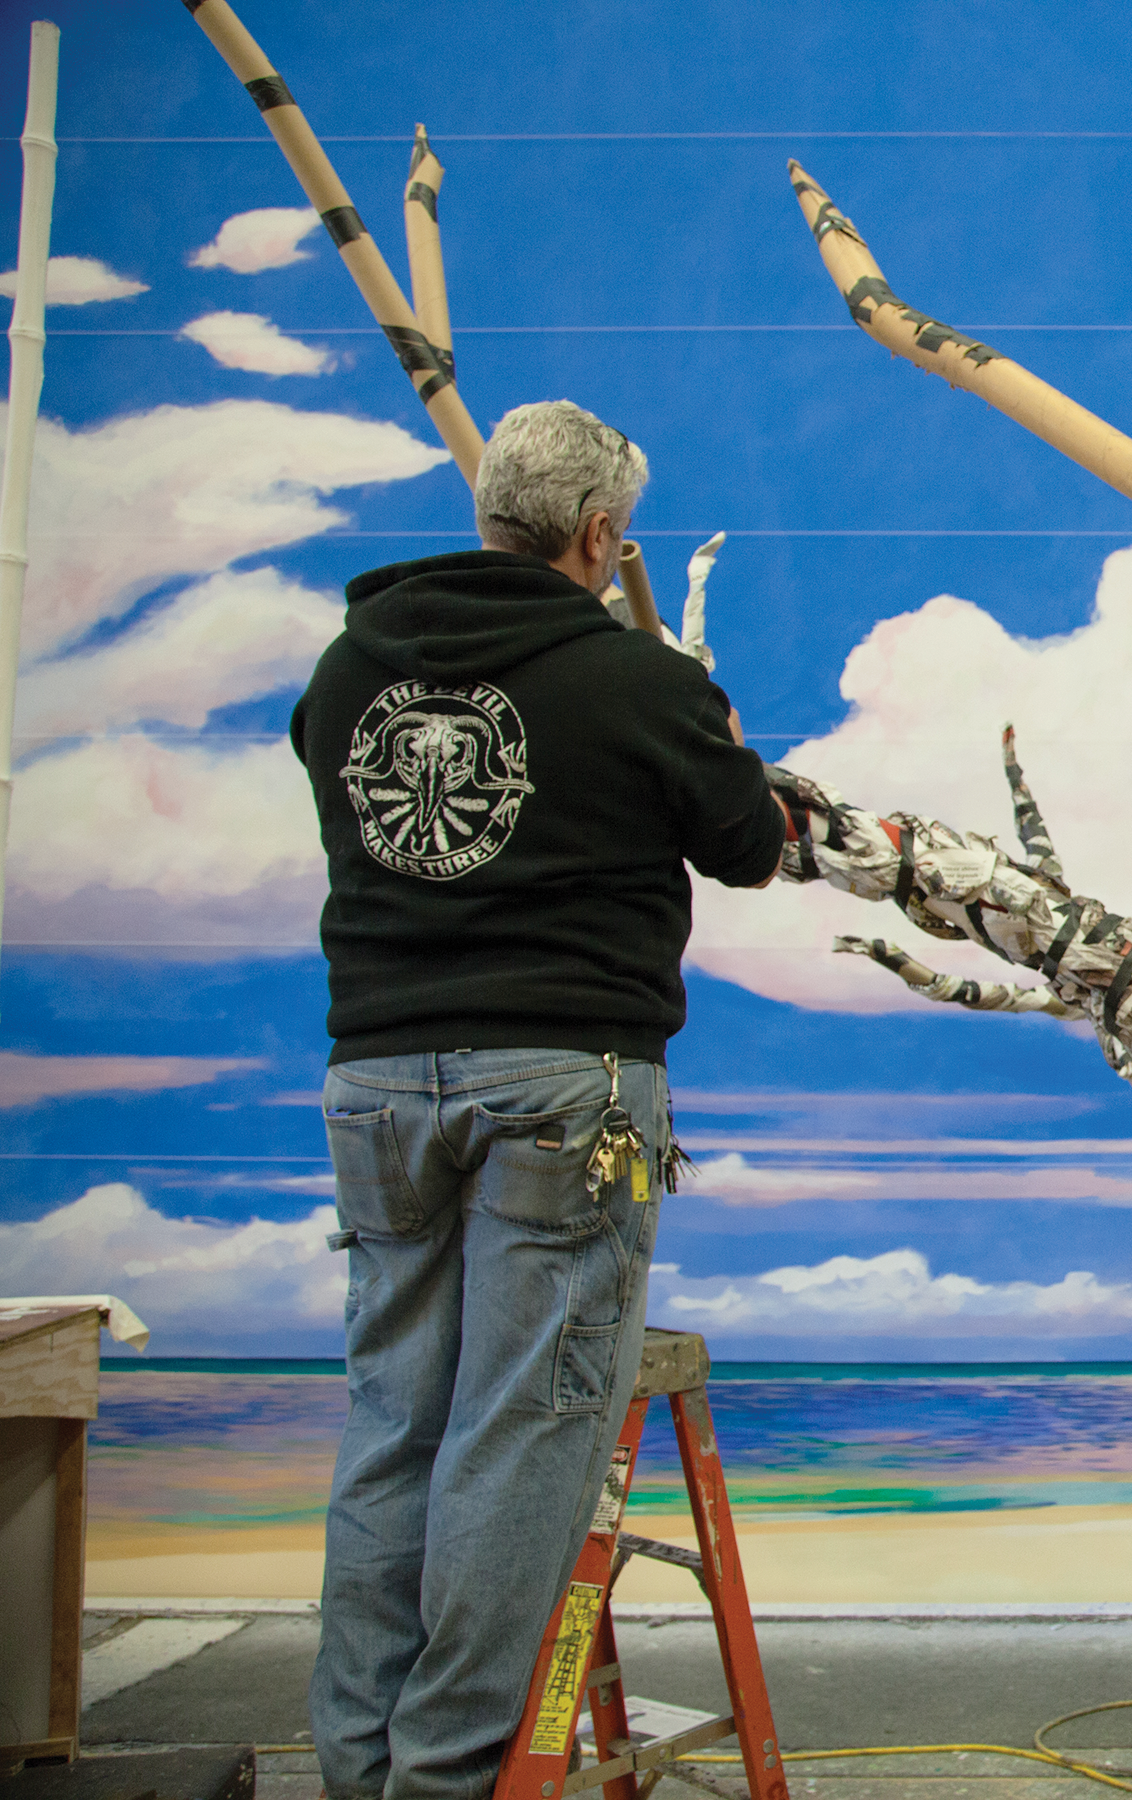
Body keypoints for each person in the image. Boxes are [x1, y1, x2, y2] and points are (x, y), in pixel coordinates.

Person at [289, 400, 788, 1799]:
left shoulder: (348, 668)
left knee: (396, 1419)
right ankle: (444, 1779)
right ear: (599, 535)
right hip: (569, 1092)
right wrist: (718, 731)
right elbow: (747, 843)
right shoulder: (633, 680)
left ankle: (361, 1766)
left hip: (377, 1083)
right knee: (522, 1437)